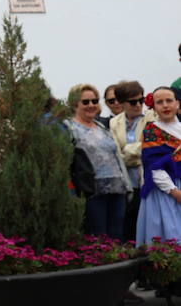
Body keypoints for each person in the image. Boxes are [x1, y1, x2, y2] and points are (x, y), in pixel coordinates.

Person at [65, 84, 129, 239]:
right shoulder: (69, 128)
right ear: (74, 104)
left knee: (117, 236)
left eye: (94, 101)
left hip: (117, 189)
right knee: (98, 238)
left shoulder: (102, 127)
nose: (91, 105)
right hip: (92, 191)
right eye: (85, 102)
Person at [137, 87, 181, 247]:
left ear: (177, 103)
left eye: (169, 100)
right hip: (164, 191)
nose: (165, 105)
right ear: (153, 107)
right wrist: (174, 192)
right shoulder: (151, 131)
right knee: (170, 240)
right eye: (159, 102)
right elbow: (153, 167)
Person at [109, 80, 147, 241]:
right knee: (126, 226)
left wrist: (127, 150)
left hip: (146, 181)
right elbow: (115, 154)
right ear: (122, 103)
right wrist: (137, 151)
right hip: (125, 183)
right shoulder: (114, 122)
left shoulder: (152, 118)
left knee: (143, 226)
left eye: (141, 100)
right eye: (133, 102)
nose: (138, 105)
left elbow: (149, 148)